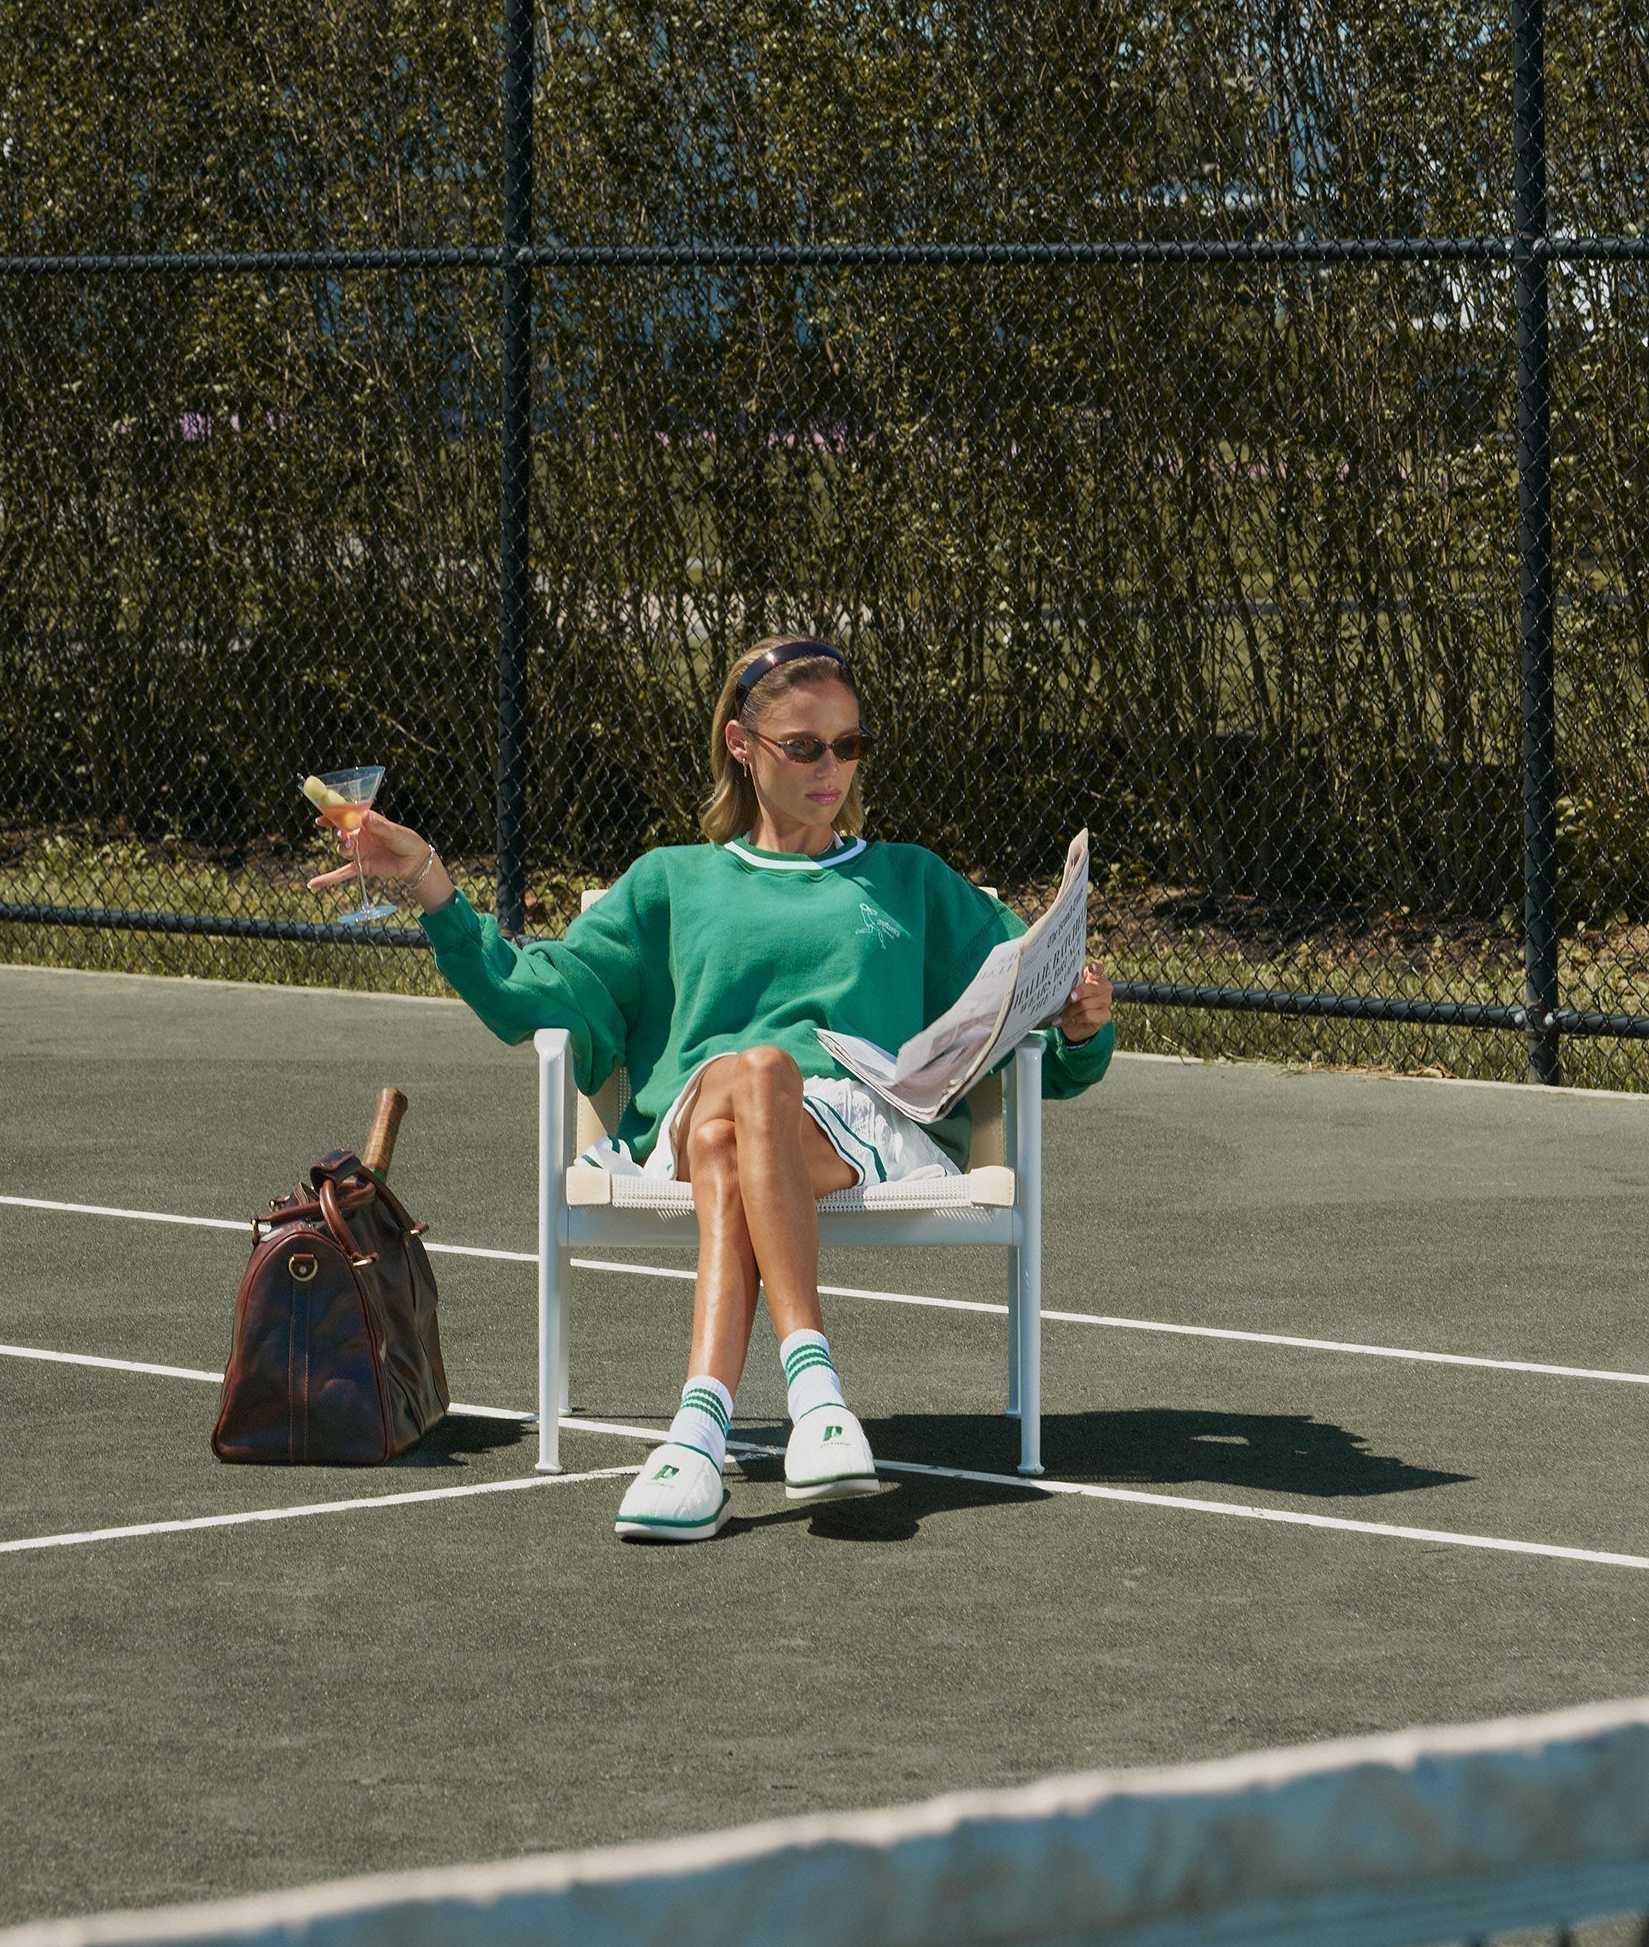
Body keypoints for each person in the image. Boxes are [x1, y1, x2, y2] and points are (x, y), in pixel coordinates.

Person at [311, 633, 1115, 1541]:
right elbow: (537, 996)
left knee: (750, 1098)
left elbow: (1028, 1006)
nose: (832, 769)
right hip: (698, 1117)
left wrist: (1081, 1023)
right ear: (741, 744)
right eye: (804, 747)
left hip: (864, 1130)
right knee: (750, 1079)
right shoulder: (671, 883)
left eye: (850, 746)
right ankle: (814, 1390)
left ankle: (697, 1436)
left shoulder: (911, 882)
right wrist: (430, 883)